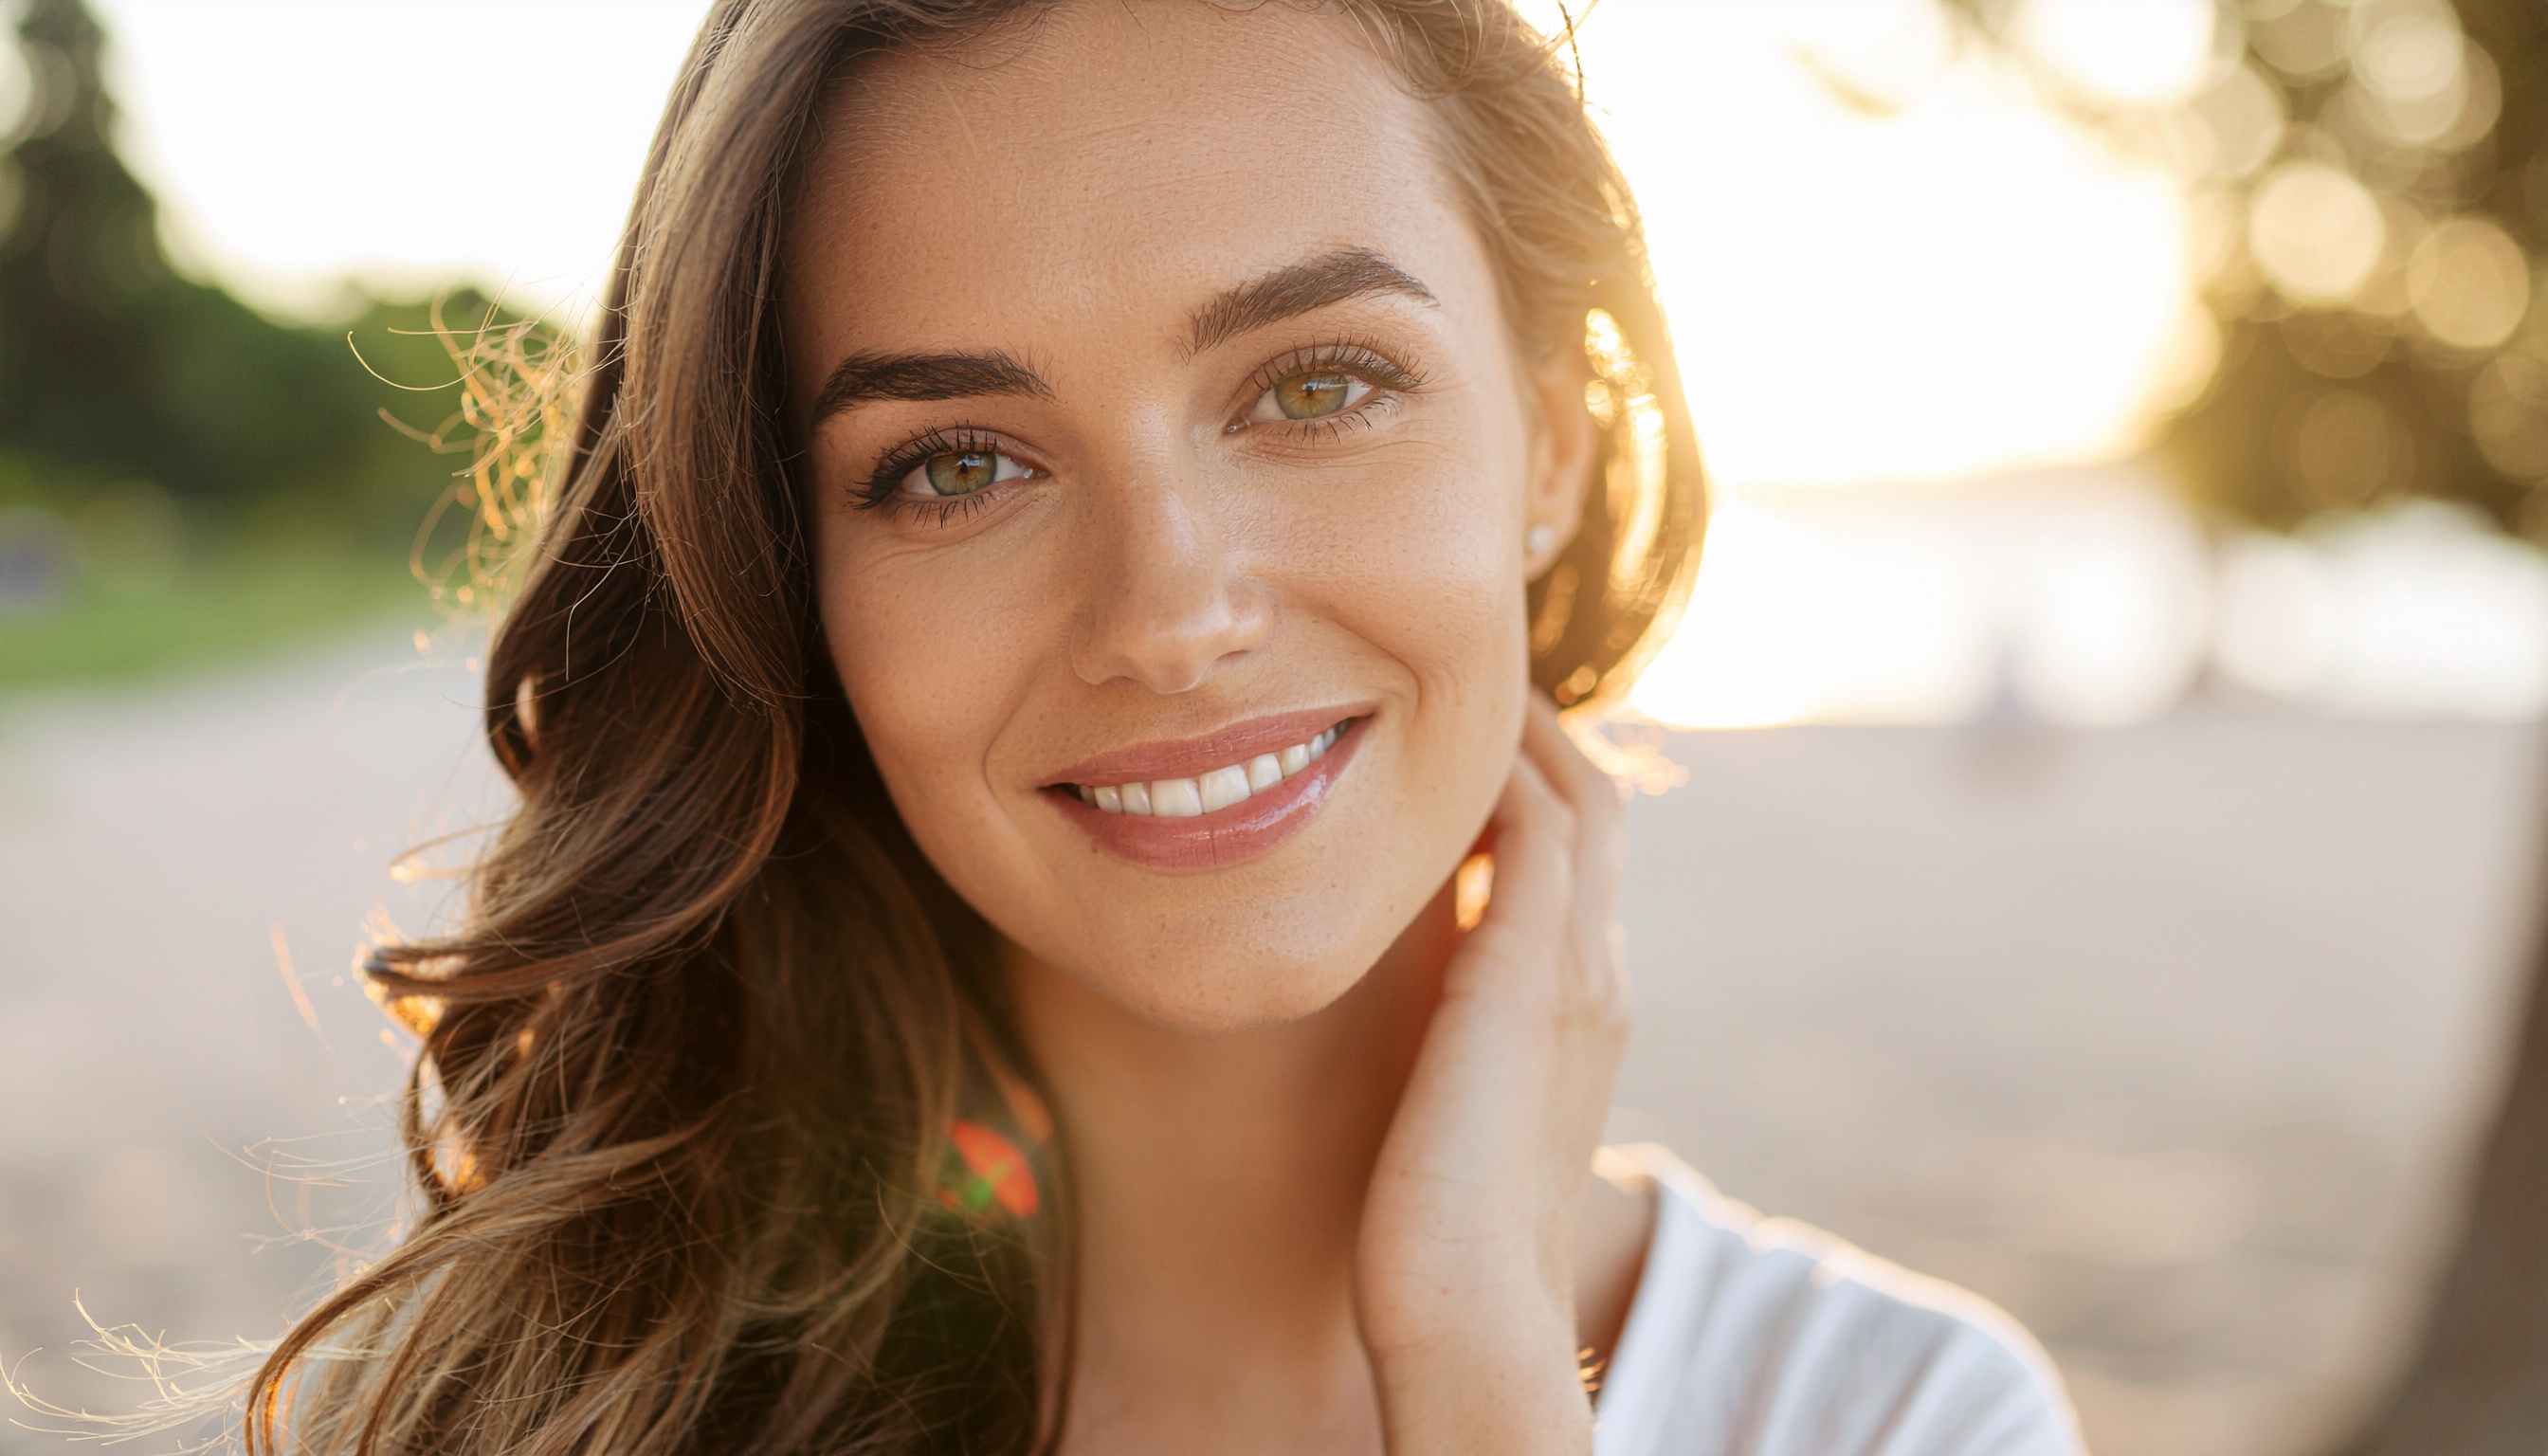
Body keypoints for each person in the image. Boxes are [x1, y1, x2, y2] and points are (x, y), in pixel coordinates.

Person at [247, 2, 2086, 1451]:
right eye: (957, 465)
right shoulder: (552, 1417)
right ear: (794, 585)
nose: (1170, 616)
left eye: (1316, 384)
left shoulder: (1898, 1421)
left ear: (1553, 449)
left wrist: (1478, 1358)